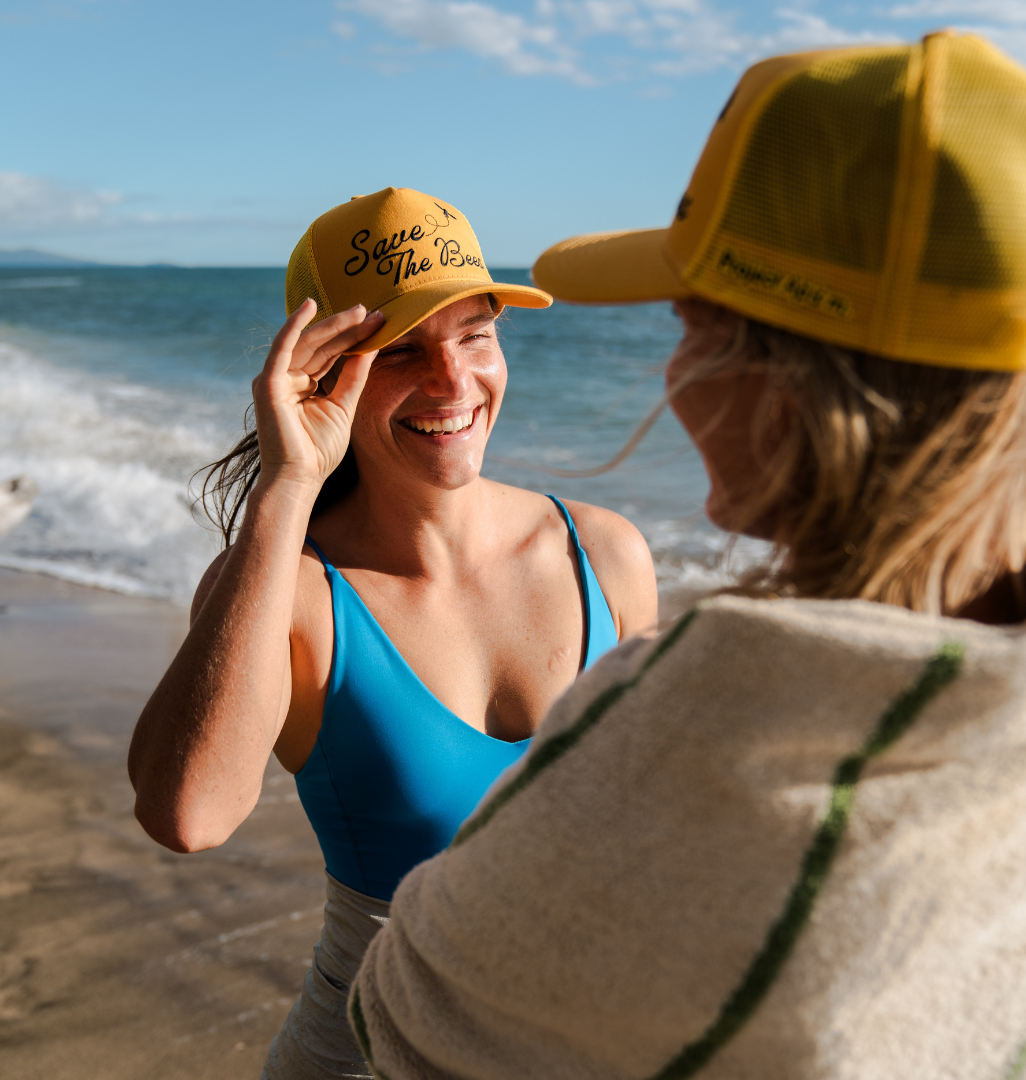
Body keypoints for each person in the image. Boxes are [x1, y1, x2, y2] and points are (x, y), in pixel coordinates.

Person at [351, 33, 1026, 1079]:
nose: (673, 368)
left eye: (687, 318)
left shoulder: (706, 715)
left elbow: (408, 1010)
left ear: (774, 375)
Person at [126, 186, 659, 1079]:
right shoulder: (290, 587)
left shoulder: (604, 554)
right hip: (373, 1057)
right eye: (403, 350)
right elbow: (189, 816)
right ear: (323, 371)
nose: (454, 384)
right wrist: (286, 489)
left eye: (475, 336)